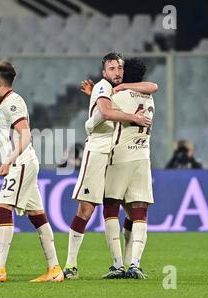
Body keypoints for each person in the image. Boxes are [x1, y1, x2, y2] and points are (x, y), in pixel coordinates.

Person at [63, 52, 157, 280]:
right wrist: (95, 103)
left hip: (119, 156)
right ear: (104, 72)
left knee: (123, 210)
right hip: (98, 153)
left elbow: (151, 86)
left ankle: (124, 264)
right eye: (112, 69)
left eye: (119, 68)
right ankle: (71, 265)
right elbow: (104, 112)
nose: (116, 72)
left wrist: (97, 101)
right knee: (87, 208)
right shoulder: (105, 88)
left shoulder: (118, 90)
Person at [0, 61, 64, 282]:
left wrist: (10, 160)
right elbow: (4, 134)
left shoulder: (12, 103)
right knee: (38, 216)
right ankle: (55, 270)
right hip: (23, 162)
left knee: (3, 209)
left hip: (21, 163)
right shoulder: (4, 104)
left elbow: (26, 135)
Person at [102, 58, 156, 279]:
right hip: (143, 158)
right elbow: (153, 86)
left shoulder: (119, 95)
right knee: (139, 211)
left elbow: (104, 111)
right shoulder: (150, 98)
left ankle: (117, 265)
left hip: (120, 157)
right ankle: (134, 264)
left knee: (110, 207)